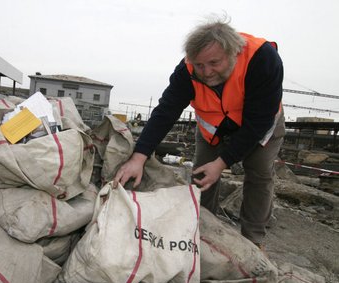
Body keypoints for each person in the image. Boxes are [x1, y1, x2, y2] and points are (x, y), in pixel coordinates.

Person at [113, 16, 285, 248]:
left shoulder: (262, 59)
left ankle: (253, 240)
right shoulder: (187, 69)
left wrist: (223, 162)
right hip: (213, 127)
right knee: (203, 175)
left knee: (259, 174)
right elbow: (166, 112)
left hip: (259, 125)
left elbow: (259, 121)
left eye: (214, 63)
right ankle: (202, 230)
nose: (206, 72)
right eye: (200, 65)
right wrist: (139, 156)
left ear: (233, 52)